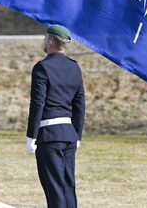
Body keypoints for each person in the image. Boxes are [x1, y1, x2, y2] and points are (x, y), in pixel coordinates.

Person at [25, 24, 85, 208]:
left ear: (51, 42)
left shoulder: (42, 67)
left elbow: (38, 103)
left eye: (45, 38)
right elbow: (79, 104)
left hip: (49, 136)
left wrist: (31, 136)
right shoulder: (74, 67)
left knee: (55, 189)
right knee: (68, 186)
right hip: (68, 135)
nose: (43, 41)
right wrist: (77, 134)